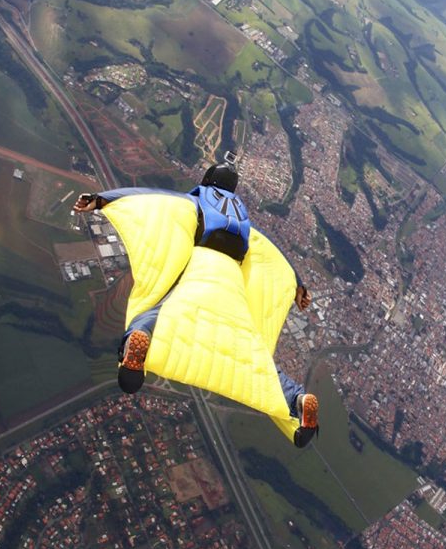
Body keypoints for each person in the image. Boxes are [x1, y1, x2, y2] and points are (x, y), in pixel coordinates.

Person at [74, 159, 319, 447]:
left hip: (203, 265)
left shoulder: (200, 200)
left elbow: (150, 198)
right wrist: (298, 287)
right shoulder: (244, 221)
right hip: (233, 282)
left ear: (207, 180)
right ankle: (296, 400)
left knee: (157, 311)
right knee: (252, 353)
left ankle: (137, 342)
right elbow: (273, 255)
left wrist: (101, 200)